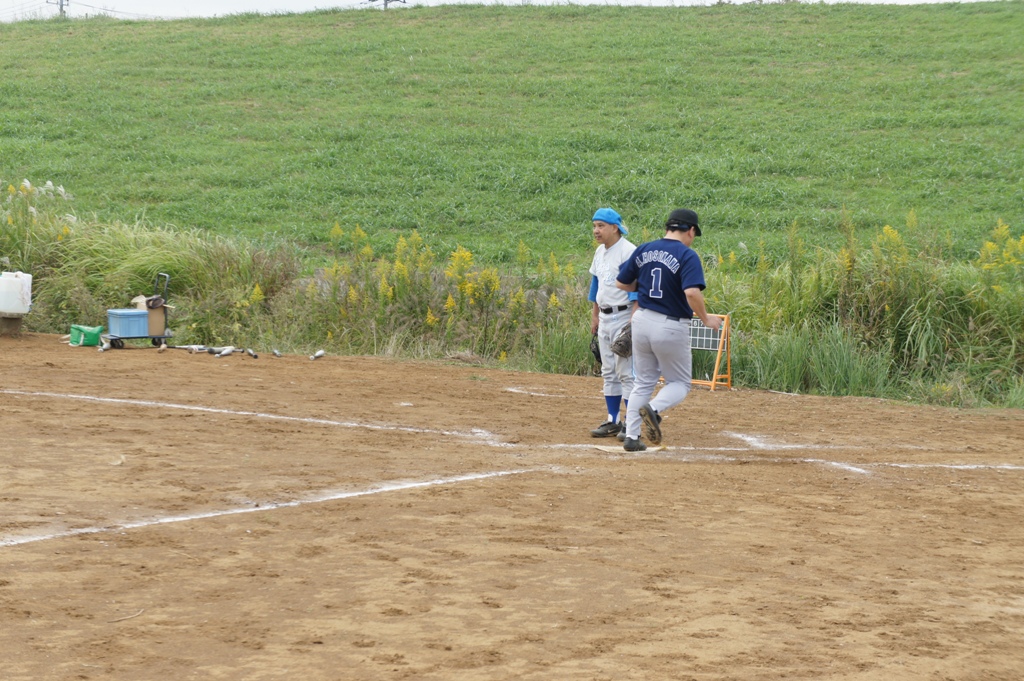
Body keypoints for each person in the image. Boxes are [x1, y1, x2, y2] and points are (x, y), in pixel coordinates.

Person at [615, 208, 722, 452]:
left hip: (641, 320)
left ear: (668, 227)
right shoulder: (687, 255)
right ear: (690, 230)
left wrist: (642, 285)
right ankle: (653, 409)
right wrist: (706, 319)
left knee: (643, 381)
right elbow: (692, 292)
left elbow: (621, 282)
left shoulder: (644, 249)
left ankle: (632, 437)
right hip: (670, 325)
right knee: (680, 383)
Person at [587, 207, 637, 440]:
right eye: (595, 225)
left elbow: (637, 287)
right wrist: (594, 315)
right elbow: (596, 284)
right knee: (608, 371)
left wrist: (634, 320)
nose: (596, 230)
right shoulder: (600, 251)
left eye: (601, 226)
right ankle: (612, 420)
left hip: (624, 316)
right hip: (605, 317)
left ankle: (631, 422)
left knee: (626, 372)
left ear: (614, 227)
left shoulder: (628, 252)